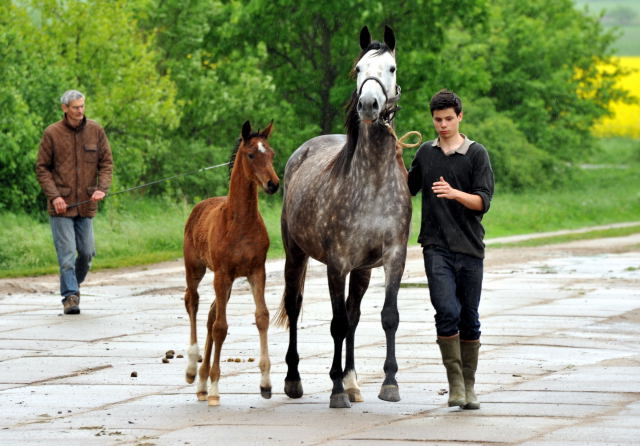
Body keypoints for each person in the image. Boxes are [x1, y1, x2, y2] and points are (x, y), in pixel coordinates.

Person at [407, 89, 494, 409]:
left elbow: (483, 202)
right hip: (436, 247)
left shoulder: (476, 154)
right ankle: (455, 385)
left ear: (460, 117)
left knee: (469, 318)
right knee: (447, 312)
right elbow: (408, 188)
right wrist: (390, 159)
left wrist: (454, 193)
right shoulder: (426, 154)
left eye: (448, 119)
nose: (442, 125)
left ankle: (469, 386)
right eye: (437, 120)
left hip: (470, 248)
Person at [35, 90, 113, 315]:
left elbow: (106, 163)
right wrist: (55, 196)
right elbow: (42, 168)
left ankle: (72, 286)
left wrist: (101, 189)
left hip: (86, 203)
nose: (80, 111)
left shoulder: (96, 130)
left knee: (87, 253)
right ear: (65, 108)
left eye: (82, 106)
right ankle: (69, 296)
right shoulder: (52, 133)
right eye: (76, 107)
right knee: (67, 254)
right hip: (61, 206)